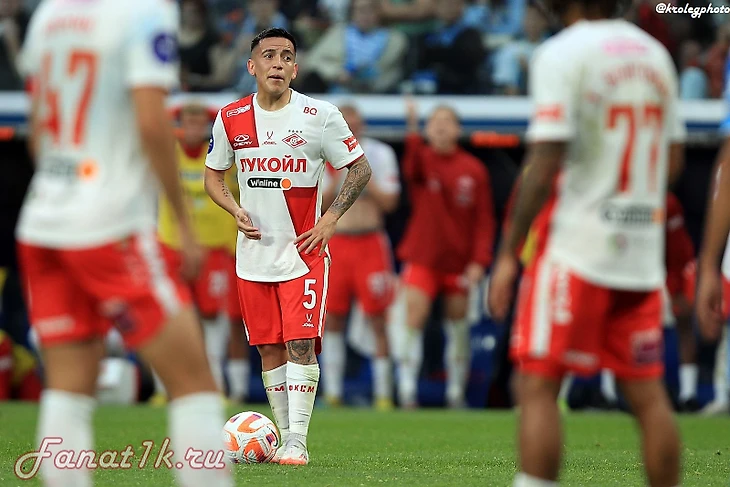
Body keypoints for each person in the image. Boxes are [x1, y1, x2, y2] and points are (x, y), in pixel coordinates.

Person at [15, 1, 232, 486]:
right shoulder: (144, 12)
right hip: (108, 224)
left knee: (68, 388)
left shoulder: (49, 14)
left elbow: (38, 126)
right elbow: (153, 123)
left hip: (44, 219)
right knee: (193, 379)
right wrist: (182, 222)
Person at [487, 0, 685, 485]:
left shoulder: (561, 52)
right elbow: (674, 159)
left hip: (575, 248)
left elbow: (544, 161)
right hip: (639, 255)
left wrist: (509, 253)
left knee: (537, 384)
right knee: (648, 395)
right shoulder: (654, 54)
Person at [204, 28, 372, 466]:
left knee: (300, 342)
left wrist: (330, 218)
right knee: (268, 348)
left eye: (286, 56)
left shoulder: (320, 115)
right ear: (252, 66)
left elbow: (359, 169)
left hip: (303, 252)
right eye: (269, 55)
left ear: (295, 68)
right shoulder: (230, 117)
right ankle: (281, 438)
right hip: (253, 253)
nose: (277, 63)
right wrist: (233, 208)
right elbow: (213, 176)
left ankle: (297, 440)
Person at [396, 100, 496, 409]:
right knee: (413, 319)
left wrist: (479, 261)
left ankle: (455, 392)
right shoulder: (422, 159)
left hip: (458, 262)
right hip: (423, 257)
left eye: (446, 121)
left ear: (458, 129)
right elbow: (410, 167)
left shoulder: (474, 170)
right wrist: (412, 129)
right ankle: (406, 390)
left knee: (459, 325)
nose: (440, 127)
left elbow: (484, 221)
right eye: (434, 122)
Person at [154, 102, 242, 403]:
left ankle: (216, 387)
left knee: (214, 317)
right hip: (173, 246)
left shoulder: (223, 156)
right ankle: (164, 390)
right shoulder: (167, 154)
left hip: (215, 249)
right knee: (167, 317)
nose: (193, 128)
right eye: (187, 122)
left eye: (199, 122)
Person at [320, 105, 401, 410]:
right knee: (332, 318)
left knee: (379, 318)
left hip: (370, 243)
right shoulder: (324, 154)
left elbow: (390, 202)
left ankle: (383, 395)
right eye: (345, 124)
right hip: (337, 242)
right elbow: (319, 203)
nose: (350, 129)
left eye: (354, 123)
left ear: (362, 125)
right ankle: (333, 393)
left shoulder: (379, 154)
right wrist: (339, 178)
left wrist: (361, 175)